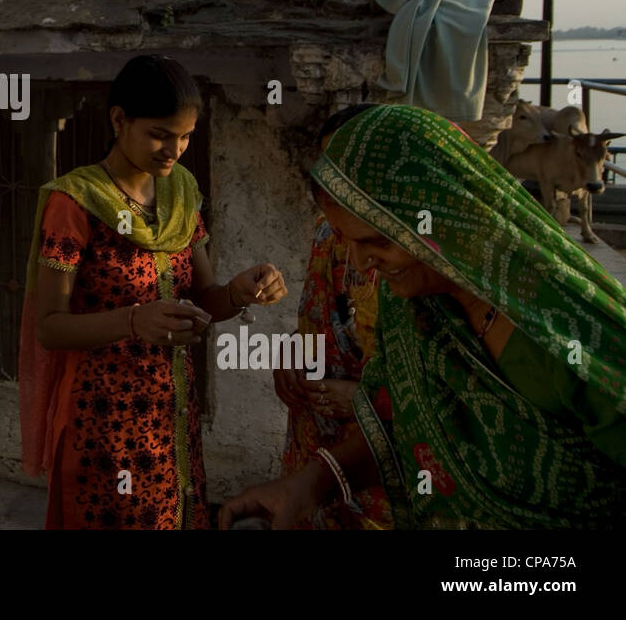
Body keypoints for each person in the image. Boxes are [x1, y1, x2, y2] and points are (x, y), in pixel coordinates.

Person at [222, 104, 626, 529]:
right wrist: (310, 484)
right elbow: (409, 430)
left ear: (443, 218)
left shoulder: (562, 327)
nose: (359, 264)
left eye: (378, 241)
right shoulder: (415, 306)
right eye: (346, 241)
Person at [19, 55, 287, 529]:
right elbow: (50, 327)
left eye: (185, 136)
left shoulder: (180, 194)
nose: (174, 150)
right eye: (160, 134)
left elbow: (204, 299)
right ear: (120, 120)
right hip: (102, 424)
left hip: (170, 420)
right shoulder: (75, 203)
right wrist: (132, 320)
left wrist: (240, 292)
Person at [274, 102, 393, 529]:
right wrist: (290, 355)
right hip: (314, 438)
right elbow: (318, 317)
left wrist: (363, 399)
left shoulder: (413, 260)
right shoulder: (329, 235)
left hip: (383, 458)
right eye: (329, 170)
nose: (337, 185)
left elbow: (444, 387)